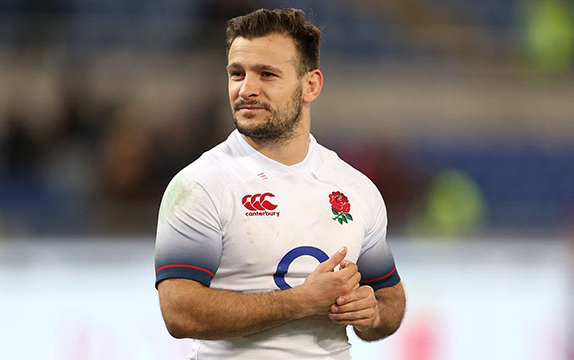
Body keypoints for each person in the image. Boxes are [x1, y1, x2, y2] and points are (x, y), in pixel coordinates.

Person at [155, 8, 406, 359]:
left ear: (311, 85)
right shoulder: (201, 185)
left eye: (267, 74)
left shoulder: (354, 188)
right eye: (237, 73)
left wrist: (371, 314)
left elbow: (389, 298)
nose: (246, 89)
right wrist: (301, 301)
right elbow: (179, 311)